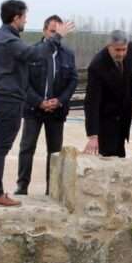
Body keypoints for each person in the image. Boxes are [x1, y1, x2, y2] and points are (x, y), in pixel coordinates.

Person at [0, 0, 73, 207]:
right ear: (16, 18)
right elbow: (34, 54)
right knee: (0, 147)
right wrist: (58, 36)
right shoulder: (8, 40)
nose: (26, 21)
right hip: (8, 102)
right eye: (24, 17)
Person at [15, 15, 78, 195]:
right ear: (44, 31)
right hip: (33, 109)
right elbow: (24, 82)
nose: (55, 35)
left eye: (59, 32)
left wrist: (59, 101)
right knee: (27, 148)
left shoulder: (68, 54)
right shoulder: (32, 51)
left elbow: (73, 81)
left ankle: (52, 189)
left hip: (57, 111)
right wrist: (39, 102)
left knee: (55, 152)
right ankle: (22, 186)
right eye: (52, 31)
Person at [83, 30, 132, 157]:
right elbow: (92, 101)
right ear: (109, 46)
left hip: (123, 119)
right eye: (117, 50)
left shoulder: (131, 49)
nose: (122, 54)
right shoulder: (97, 66)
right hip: (106, 122)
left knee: (121, 157)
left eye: (124, 49)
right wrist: (93, 135)